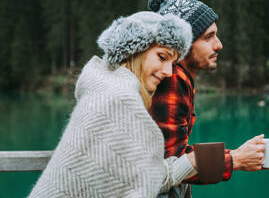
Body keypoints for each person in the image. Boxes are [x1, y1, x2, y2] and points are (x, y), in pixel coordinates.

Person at [28, 11, 199, 198]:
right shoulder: (120, 100)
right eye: (162, 57)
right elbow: (141, 187)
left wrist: (191, 162)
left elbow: (139, 177)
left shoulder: (104, 89)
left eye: (173, 63)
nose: (168, 71)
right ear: (136, 50)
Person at [147, 0, 266, 197]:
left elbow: (180, 155)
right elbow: (172, 167)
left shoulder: (179, 77)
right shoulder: (171, 79)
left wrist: (236, 154)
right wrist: (235, 160)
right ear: (182, 43)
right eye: (208, 37)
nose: (219, 45)